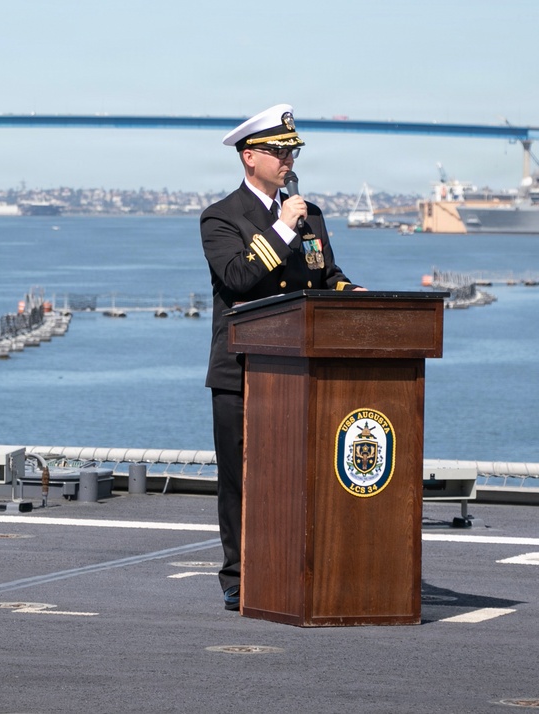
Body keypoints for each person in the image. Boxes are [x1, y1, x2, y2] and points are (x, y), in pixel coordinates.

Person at [200, 104, 363, 611]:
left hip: (299, 369)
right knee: (241, 479)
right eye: (278, 150)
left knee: (299, 474)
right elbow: (238, 278)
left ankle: (297, 566)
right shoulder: (221, 216)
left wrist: (351, 292)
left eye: (292, 151)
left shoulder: (310, 214)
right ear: (249, 157)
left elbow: (325, 275)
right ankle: (238, 575)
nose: (288, 159)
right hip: (243, 370)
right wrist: (283, 229)